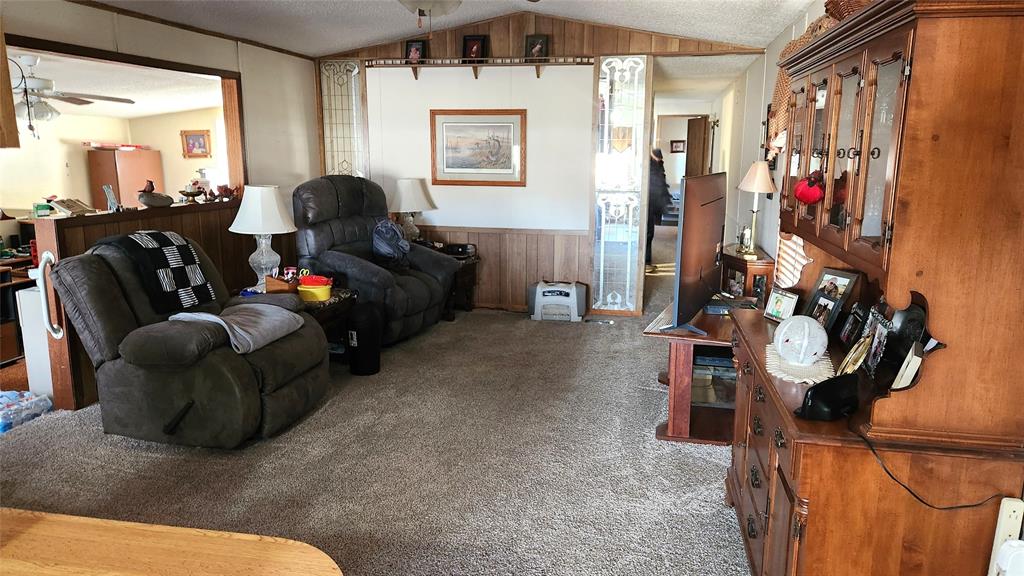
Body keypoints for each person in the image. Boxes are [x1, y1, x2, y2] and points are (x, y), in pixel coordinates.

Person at [646, 148, 672, 269]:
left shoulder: (657, 164)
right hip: (649, 202)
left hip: (653, 202)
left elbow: (661, 181)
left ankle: (647, 262)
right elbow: (656, 183)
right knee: (648, 233)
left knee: (650, 234)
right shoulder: (650, 165)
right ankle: (646, 263)